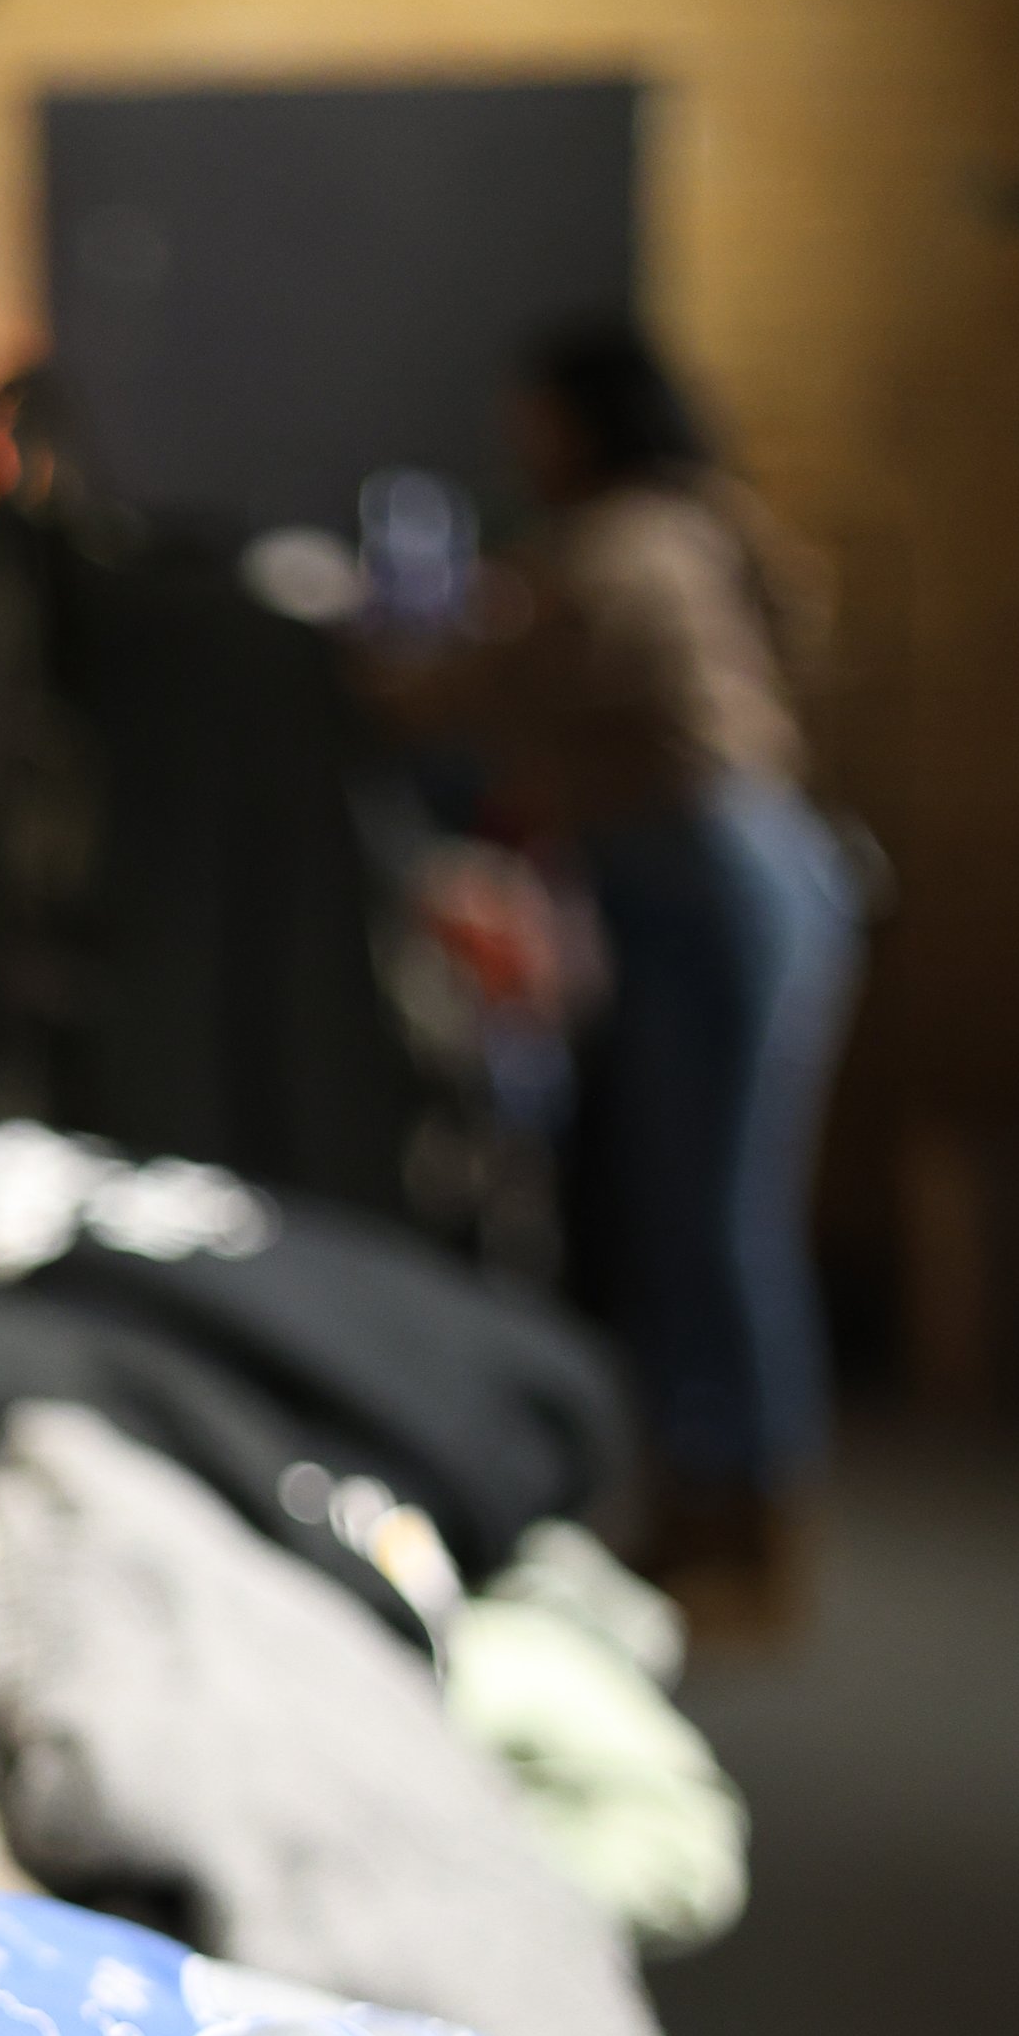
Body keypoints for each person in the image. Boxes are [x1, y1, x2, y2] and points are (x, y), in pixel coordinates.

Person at [377, 317, 862, 1626]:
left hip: (706, 879)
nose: (520, 439)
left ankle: (748, 1538)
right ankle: (713, 1511)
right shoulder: (692, 524)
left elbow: (467, 692)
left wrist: (361, 674)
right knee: (691, 1203)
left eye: (535, 412)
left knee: (716, 1211)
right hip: (712, 871)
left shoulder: (620, 544)